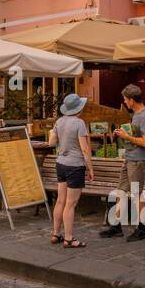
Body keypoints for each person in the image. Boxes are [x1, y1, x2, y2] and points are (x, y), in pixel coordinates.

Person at [102, 84, 145, 242]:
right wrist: (123, 134)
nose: (124, 102)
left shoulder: (144, 115)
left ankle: (142, 228)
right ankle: (116, 226)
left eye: (125, 99)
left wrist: (126, 137)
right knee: (121, 192)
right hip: (130, 158)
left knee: (137, 194)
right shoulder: (136, 114)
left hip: (137, 160)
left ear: (132, 100)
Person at [49, 93, 94, 248]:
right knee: (70, 204)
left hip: (60, 163)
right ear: (79, 108)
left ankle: (56, 234)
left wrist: (53, 132)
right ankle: (68, 238)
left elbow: (51, 142)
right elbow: (85, 149)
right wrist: (90, 168)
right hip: (75, 165)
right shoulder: (79, 123)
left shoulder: (59, 121)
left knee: (60, 200)